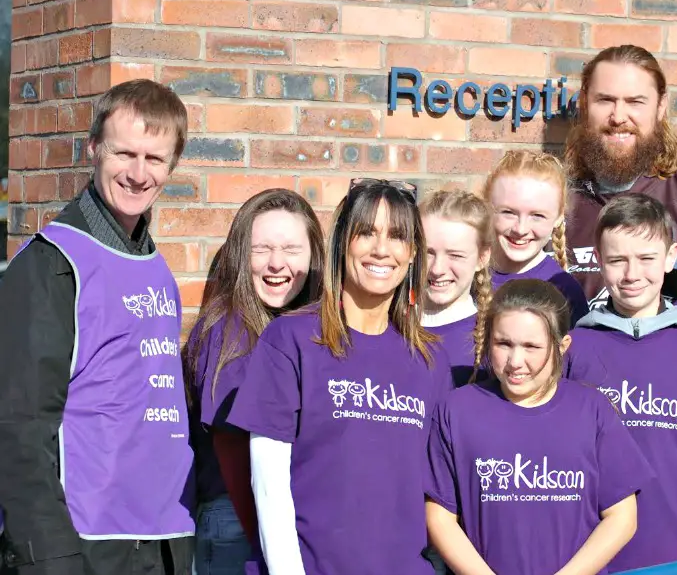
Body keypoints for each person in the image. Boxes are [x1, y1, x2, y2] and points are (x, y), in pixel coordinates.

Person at [0, 79, 195, 573]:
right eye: (123, 153)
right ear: (93, 149)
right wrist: (51, 554)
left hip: (161, 542)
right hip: (82, 546)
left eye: (154, 158)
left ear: (171, 165)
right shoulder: (51, 266)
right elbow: (19, 425)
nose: (137, 173)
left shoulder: (156, 268)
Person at [226, 178, 452, 575]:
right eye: (366, 233)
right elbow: (269, 484)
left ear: (413, 253)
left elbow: (436, 495)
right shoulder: (290, 340)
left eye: (397, 236)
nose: (381, 249)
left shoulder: (429, 358)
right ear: (342, 242)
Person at [566, 193, 677, 572]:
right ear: (598, 260)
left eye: (647, 258)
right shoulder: (574, 349)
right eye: (617, 260)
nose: (632, 274)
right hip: (588, 558)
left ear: (670, 256)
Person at [425, 279, 652, 575]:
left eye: (531, 346)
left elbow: (622, 517)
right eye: (503, 343)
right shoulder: (456, 410)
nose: (515, 361)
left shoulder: (592, 410)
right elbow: (439, 517)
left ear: (562, 346)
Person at [183, 189, 325, 574]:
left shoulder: (306, 330)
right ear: (240, 256)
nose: (277, 264)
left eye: (292, 249)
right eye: (261, 249)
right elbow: (232, 449)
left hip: (280, 521)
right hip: (238, 519)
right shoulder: (229, 332)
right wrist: (270, 548)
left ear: (314, 257)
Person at [563, 44, 677, 309]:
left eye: (635, 102)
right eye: (605, 100)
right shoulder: (555, 204)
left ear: (660, 106)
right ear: (585, 103)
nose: (619, 117)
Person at [482, 149, 589, 325]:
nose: (520, 229)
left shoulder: (565, 290)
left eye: (537, 216)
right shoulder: (465, 273)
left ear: (558, 219)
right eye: (508, 212)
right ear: (487, 207)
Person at [420, 189, 493, 387]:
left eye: (455, 255)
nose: (437, 269)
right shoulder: (388, 325)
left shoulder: (493, 339)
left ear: (482, 257)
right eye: (428, 252)